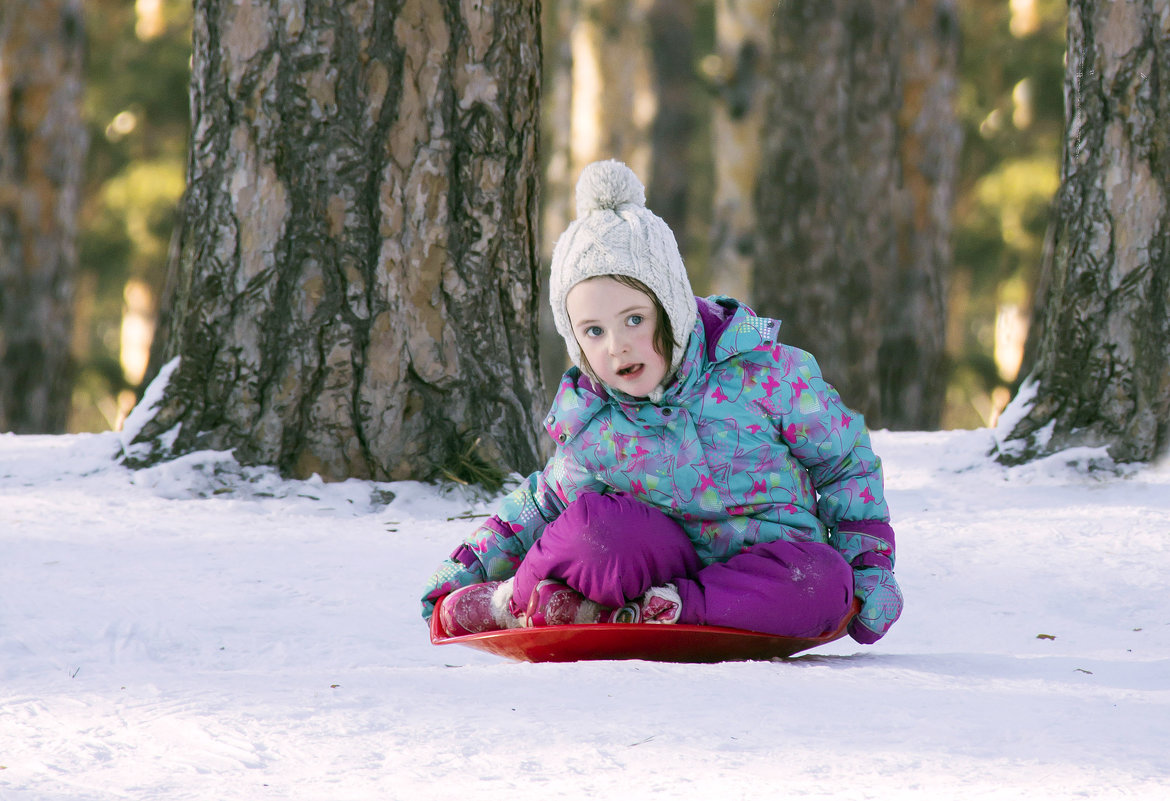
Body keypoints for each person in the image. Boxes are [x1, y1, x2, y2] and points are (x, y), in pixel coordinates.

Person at [421, 159, 903, 645]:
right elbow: (541, 506)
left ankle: (661, 611)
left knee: (824, 581)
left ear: (671, 305)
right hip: (651, 560)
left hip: (762, 571)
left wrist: (869, 570)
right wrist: (464, 568)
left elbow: (845, 466)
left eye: (634, 320)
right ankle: (517, 601)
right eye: (594, 331)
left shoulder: (763, 371)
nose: (617, 345)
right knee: (593, 527)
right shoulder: (598, 419)